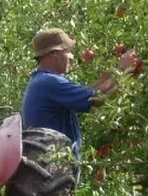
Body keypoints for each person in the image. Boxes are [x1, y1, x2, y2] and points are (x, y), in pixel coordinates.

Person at [20, 28, 131, 161]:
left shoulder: (41, 82)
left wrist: (109, 78)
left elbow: (88, 93)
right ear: (53, 53)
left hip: (50, 166)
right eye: (68, 52)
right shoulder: (50, 82)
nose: (72, 57)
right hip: (54, 167)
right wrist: (123, 70)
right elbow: (95, 99)